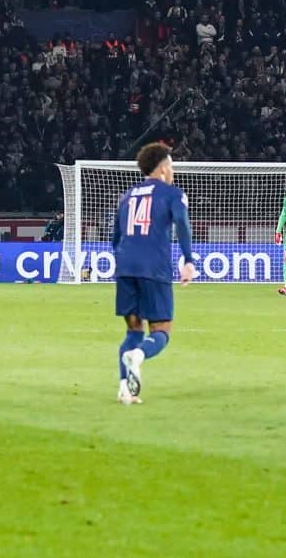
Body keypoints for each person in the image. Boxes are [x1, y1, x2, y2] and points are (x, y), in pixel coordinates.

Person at [110, 140, 198, 404]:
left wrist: (126, 262)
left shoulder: (126, 196)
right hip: (154, 269)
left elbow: (115, 237)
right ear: (162, 169)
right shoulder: (172, 194)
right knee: (161, 330)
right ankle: (139, 356)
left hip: (126, 269)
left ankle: (125, 388)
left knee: (133, 332)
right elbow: (181, 223)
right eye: (171, 166)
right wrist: (188, 259)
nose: (172, 172)